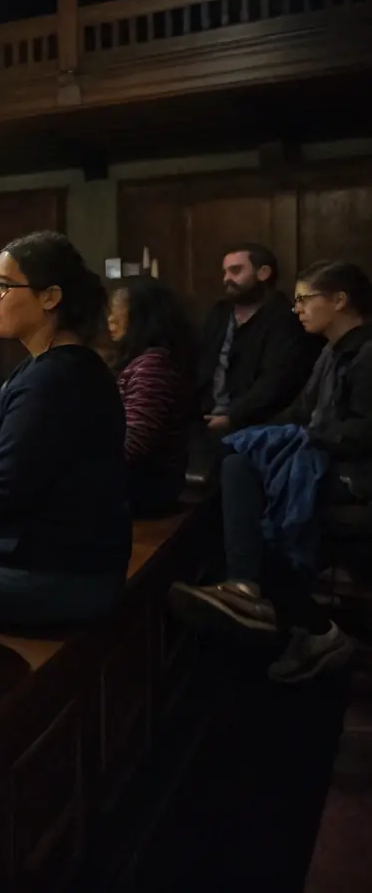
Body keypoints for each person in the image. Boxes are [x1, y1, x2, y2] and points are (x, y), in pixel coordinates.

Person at [171, 260, 372, 682]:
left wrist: (304, 439)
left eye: (305, 299)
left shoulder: (366, 353)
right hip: (324, 461)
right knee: (237, 476)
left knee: (243, 484)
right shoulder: (330, 352)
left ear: (339, 300)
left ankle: (269, 603)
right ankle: (267, 605)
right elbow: (299, 412)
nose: (296, 307)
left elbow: (363, 430)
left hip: (354, 475)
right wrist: (270, 433)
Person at [0, 231, 132, 628]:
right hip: (55, 565)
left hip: (59, 579)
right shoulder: (46, 367)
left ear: (50, 297)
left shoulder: (56, 379)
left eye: (4, 286)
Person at [196, 243, 321, 435]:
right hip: (205, 419)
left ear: (263, 273)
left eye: (235, 270)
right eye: (225, 272)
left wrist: (234, 418)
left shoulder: (285, 319)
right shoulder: (219, 314)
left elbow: (278, 381)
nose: (226, 279)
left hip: (259, 425)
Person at [107, 276, 193, 516]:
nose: (110, 319)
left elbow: (134, 443)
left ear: (141, 317)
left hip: (148, 484)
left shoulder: (152, 364)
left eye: (117, 311)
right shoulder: (140, 360)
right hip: (137, 477)